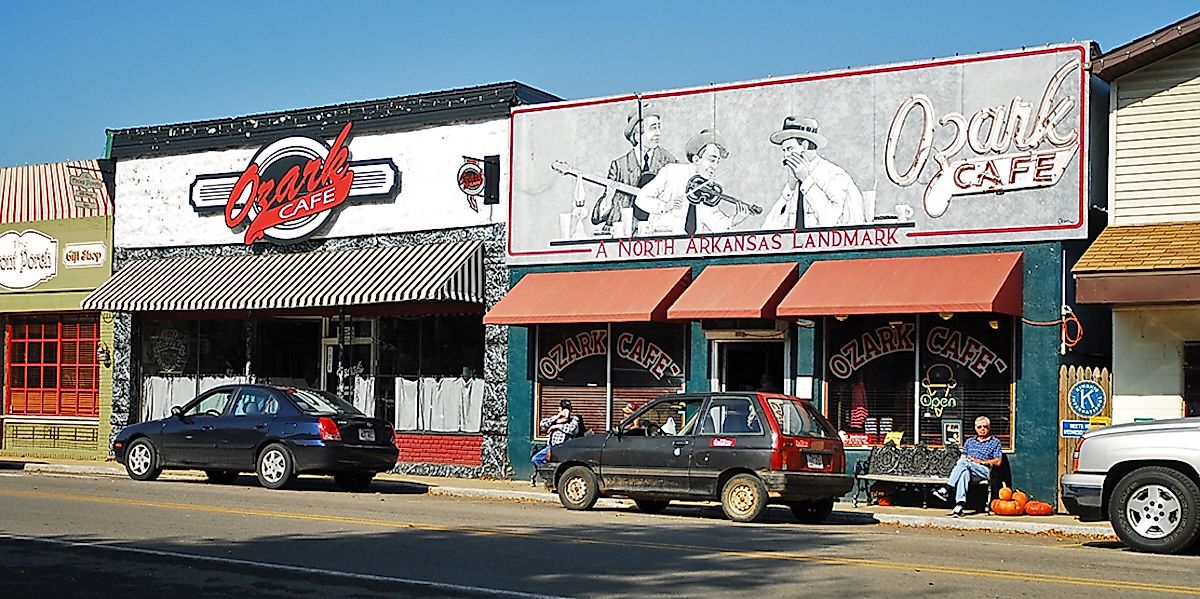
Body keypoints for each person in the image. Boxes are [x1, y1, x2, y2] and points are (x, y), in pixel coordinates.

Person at [634, 129, 752, 236]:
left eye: (717, 162)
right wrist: (665, 206)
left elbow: (715, 223)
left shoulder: (707, 189)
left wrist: (734, 221)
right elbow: (641, 199)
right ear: (696, 159)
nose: (714, 167)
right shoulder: (671, 172)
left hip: (690, 248)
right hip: (662, 241)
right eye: (711, 160)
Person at [762, 116, 868, 230]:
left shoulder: (834, 176)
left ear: (804, 146)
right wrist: (790, 189)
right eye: (784, 151)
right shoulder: (794, 180)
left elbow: (831, 223)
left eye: (790, 149)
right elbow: (769, 227)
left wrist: (807, 181)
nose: (785, 156)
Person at [591, 102, 677, 232]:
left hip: (657, 233)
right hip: (622, 234)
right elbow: (597, 218)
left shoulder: (669, 162)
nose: (658, 133)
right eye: (653, 128)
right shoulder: (619, 166)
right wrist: (609, 197)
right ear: (637, 135)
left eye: (659, 127)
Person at [934, 415, 1003, 517]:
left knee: (964, 463)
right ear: (975, 428)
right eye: (979, 427)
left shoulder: (995, 442)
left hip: (984, 470)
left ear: (989, 427)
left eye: (985, 426)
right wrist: (968, 462)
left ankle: (947, 488)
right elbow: (963, 457)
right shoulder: (970, 442)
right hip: (969, 469)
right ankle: (959, 506)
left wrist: (981, 461)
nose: (982, 429)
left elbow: (998, 461)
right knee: (964, 472)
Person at [531, 400, 580, 484]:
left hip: (563, 449)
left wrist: (557, 427)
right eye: (563, 408)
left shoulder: (574, 420)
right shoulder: (555, 419)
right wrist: (557, 417)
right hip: (550, 448)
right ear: (559, 409)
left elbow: (572, 429)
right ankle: (547, 476)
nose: (565, 410)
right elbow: (542, 425)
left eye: (567, 408)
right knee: (536, 459)